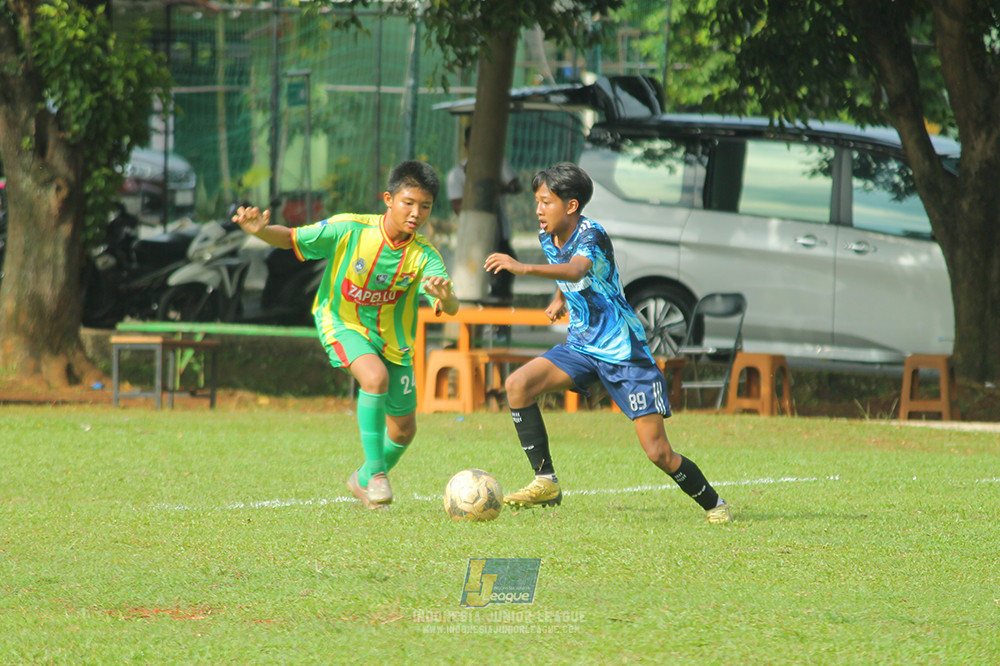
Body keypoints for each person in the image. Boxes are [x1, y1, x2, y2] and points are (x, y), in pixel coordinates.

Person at [483, 162, 732, 523]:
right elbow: (564, 270)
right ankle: (545, 479)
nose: (538, 209)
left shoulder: (591, 234)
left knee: (658, 451)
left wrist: (523, 269)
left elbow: (577, 268)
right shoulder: (548, 234)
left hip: (623, 351)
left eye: (545, 202)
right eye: (537, 201)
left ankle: (715, 503)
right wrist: (560, 299)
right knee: (518, 384)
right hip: (582, 345)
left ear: (571, 206)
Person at [233, 161, 459, 510]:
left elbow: (448, 302)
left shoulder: (424, 256)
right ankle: (379, 476)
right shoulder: (349, 230)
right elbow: (292, 239)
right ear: (388, 199)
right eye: (408, 203)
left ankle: (364, 477)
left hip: (393, 342)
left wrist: (446, 298)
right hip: (342, 322)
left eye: (425, 206)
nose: (416, 213)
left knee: (404, 430)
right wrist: (260, 231)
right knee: (374, 377)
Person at [447, 125, 522, 304]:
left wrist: (496, 187)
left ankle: (501, 328)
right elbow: (457, 207)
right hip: (473, 239)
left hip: (500, 236)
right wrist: (479, 192)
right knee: (471, 283)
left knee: (502, 284)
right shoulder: (457, 175)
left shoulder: (499, 164)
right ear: (467, 145)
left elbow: (515, 185)